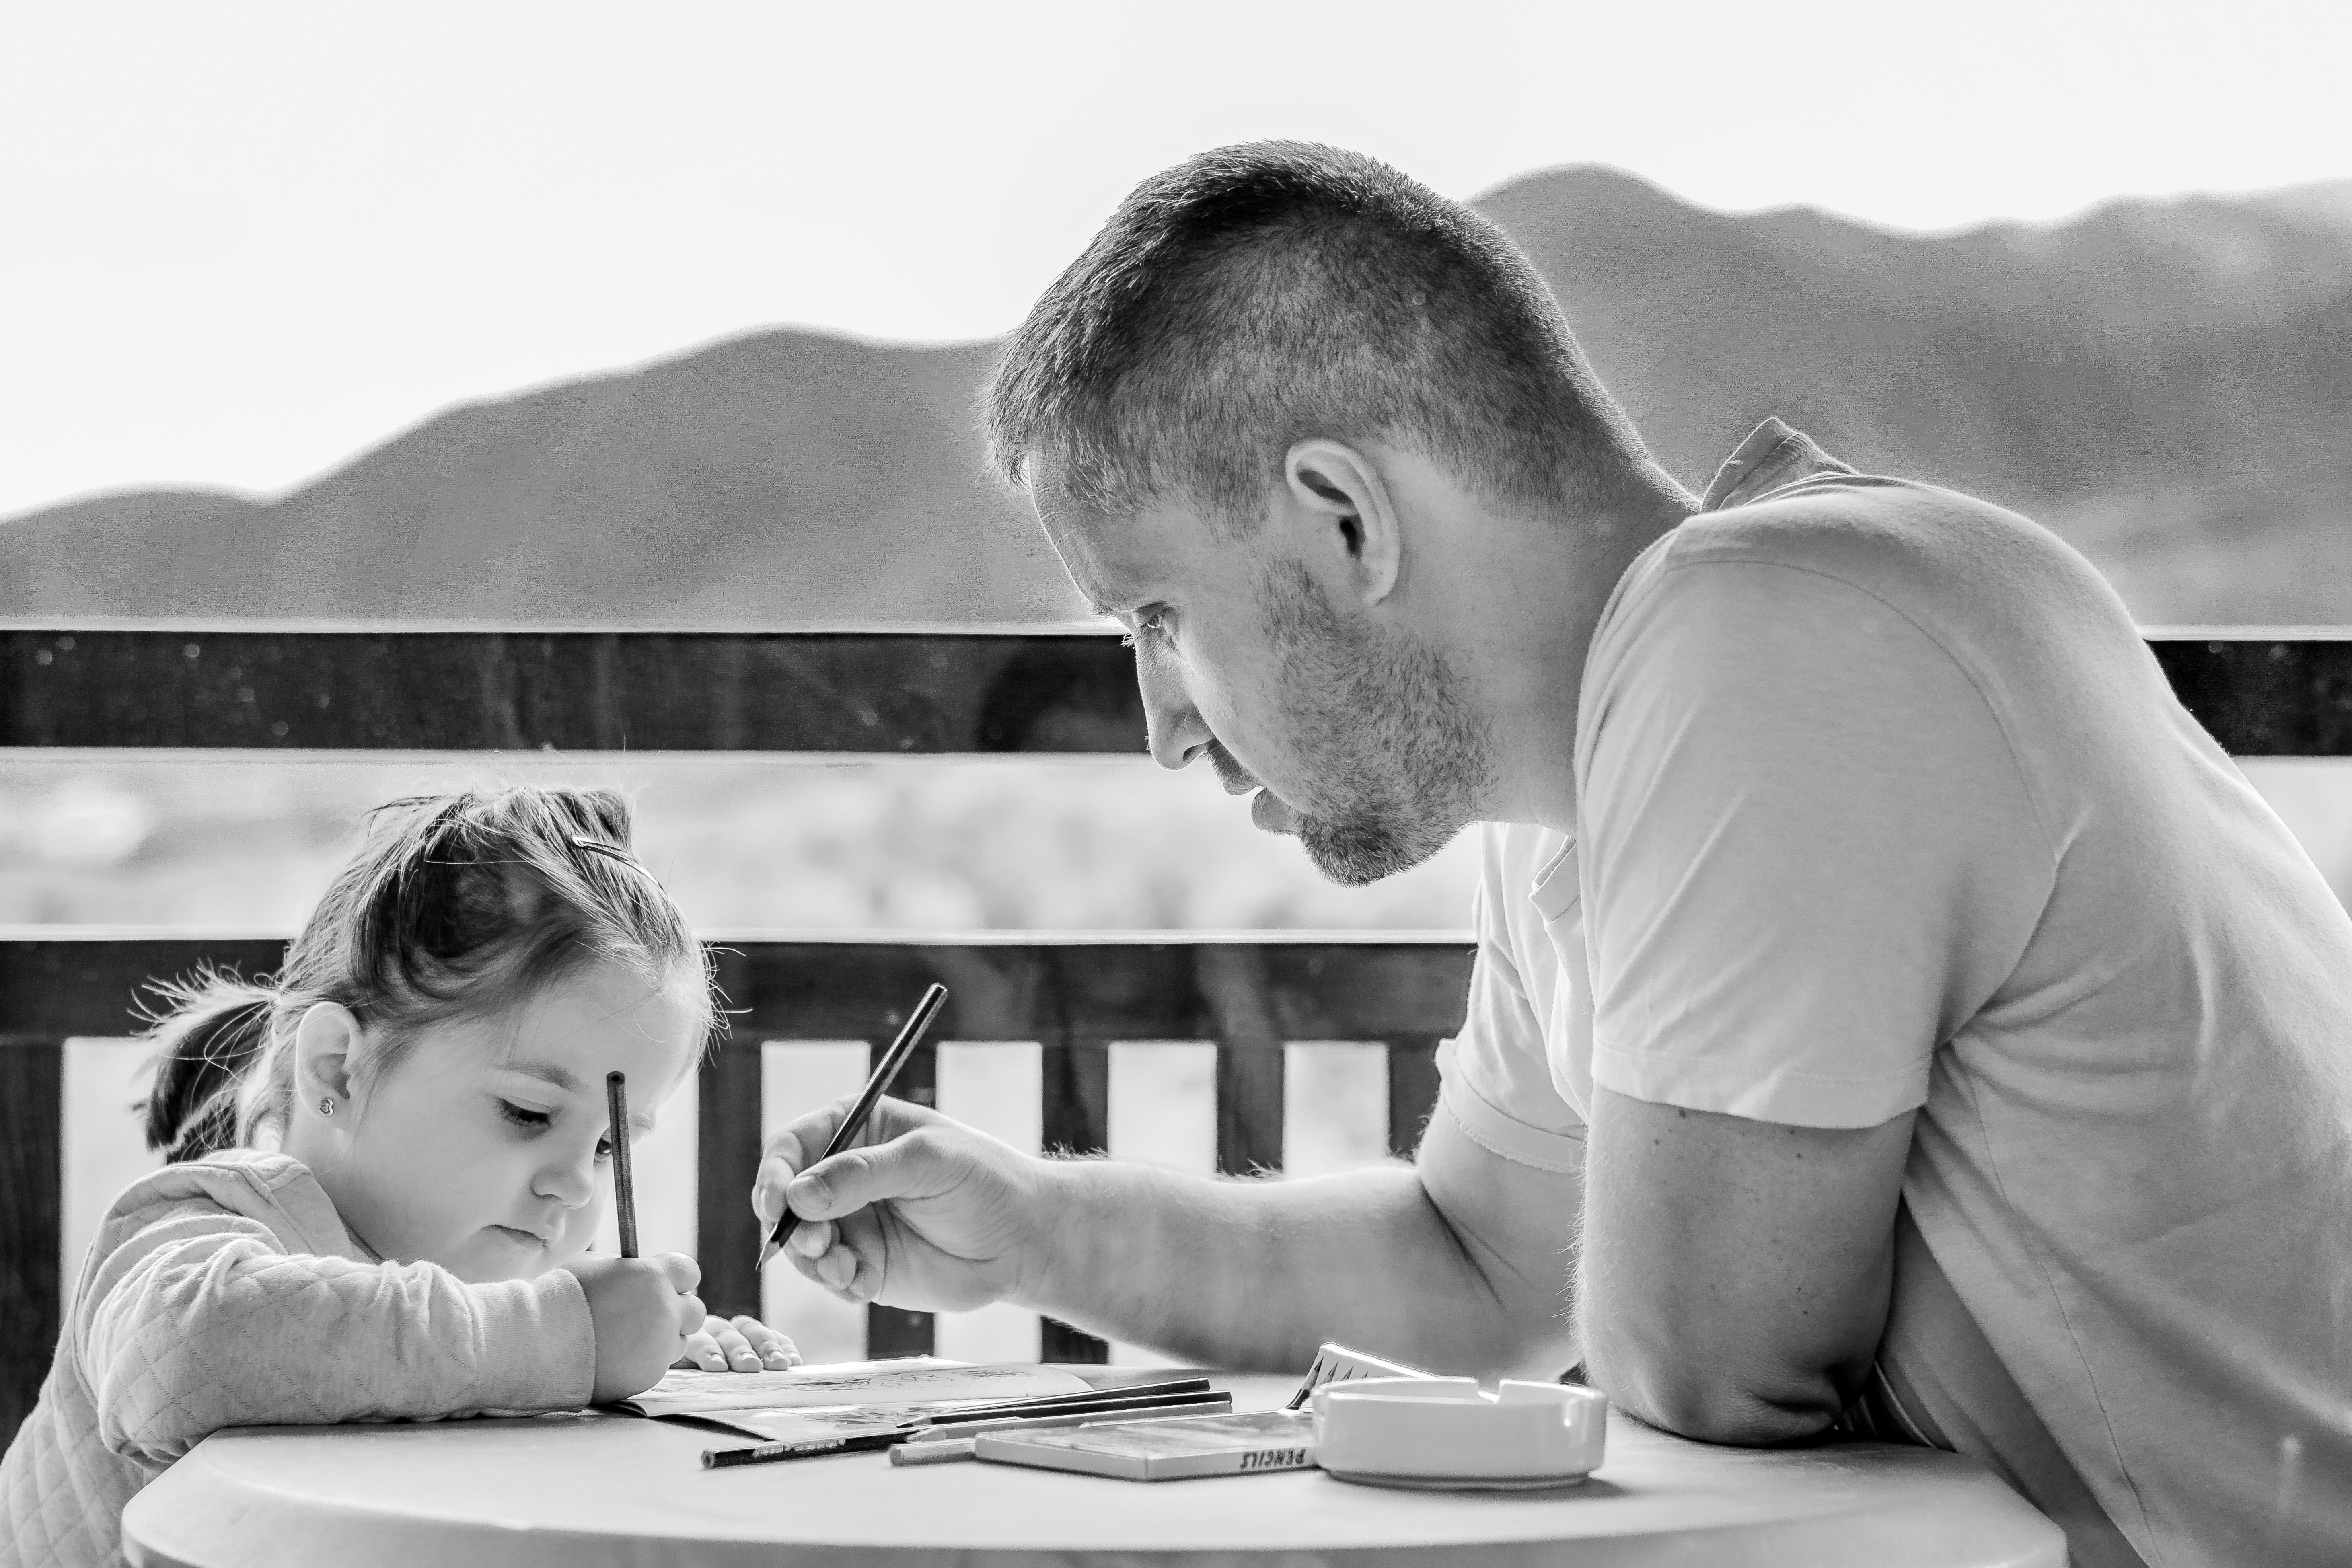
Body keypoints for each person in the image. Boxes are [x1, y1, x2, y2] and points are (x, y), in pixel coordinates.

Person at [752, 143, 2352, 1566]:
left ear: (1343, 519)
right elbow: (1468, 1269)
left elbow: (1700, 1374)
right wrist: (1032, 1222)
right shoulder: (1603, 771)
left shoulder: (1770, 634)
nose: (1165, 724)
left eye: (1158, 618)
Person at [0, 786, 797, 1568]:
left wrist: (650, 1360)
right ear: (337, 1071)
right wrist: (565, 1337)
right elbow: (180, 1359)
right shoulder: (202, 1229)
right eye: (527, 1113)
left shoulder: (472, 1301)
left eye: (605, 1149)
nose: (575, 1188)